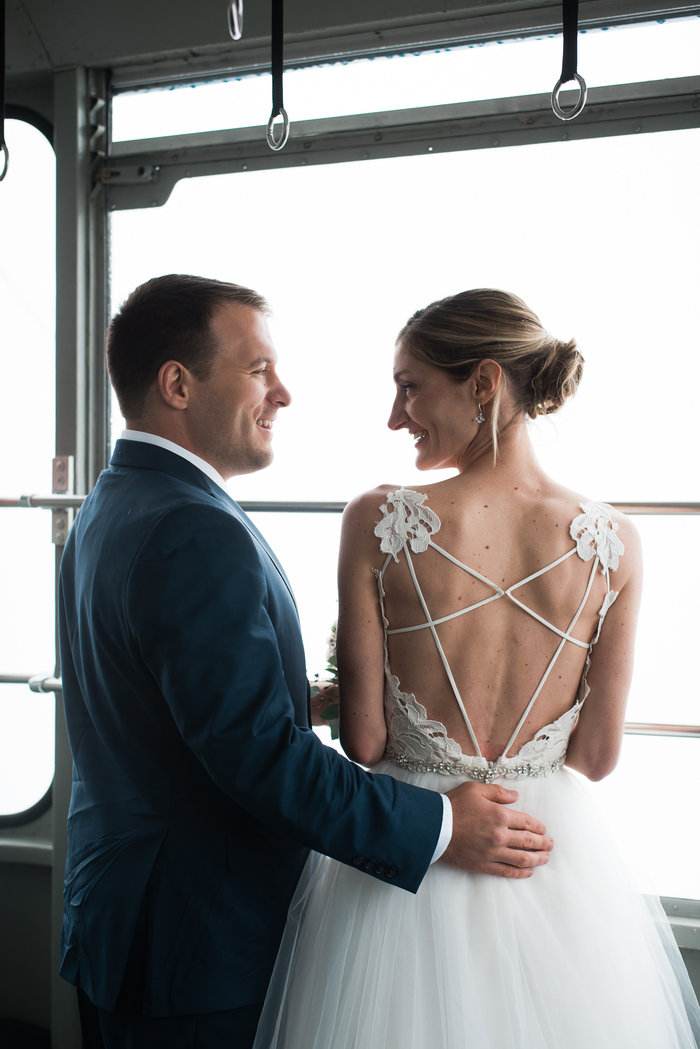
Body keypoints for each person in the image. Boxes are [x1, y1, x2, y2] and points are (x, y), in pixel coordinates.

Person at [57, 275, 555, 1049]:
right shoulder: (195, 530)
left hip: (124, 917)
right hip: (200, 942)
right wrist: (440, 826)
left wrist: (310, 696)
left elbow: (164, 697)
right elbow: (257, 757)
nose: (282, 393)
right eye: (259, 369)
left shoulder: (110, 503)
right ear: (178, 384)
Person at [252, 289, 700, 1049]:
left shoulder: (377, 519)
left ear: (485, 383)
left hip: (413, 859)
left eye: (410, 385)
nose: (396, 416)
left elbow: (363, 742)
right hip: (549, 856)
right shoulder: (614, 540)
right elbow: (595, 756)